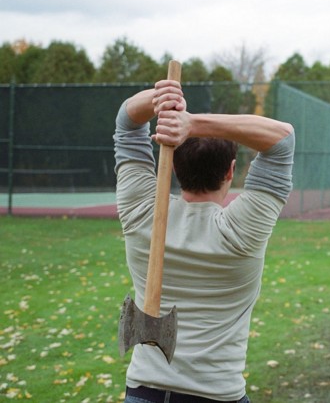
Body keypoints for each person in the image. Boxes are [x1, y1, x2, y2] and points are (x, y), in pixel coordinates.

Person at [113, 78, 295, 403]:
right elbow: (282, 139)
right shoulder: (242, 230)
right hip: (216, 394)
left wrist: (161, 98)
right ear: (231, 171)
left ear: (175, 166)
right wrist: (192, 124)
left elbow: (127, 124)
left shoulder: (141, 212)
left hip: (142, 392)